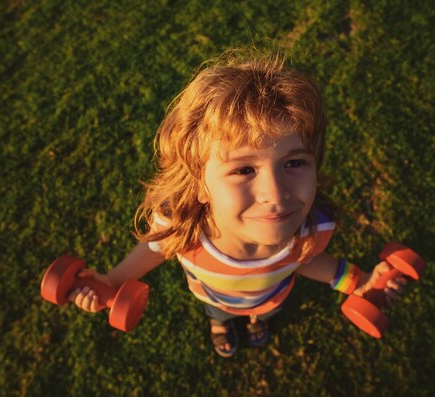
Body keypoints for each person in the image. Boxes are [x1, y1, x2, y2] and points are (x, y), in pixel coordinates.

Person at [68, 50, 408, 358]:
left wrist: (358, 281)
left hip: (272, 295)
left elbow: (302, 261)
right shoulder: (185, 224)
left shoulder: (312, 227)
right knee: (219, 311)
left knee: (267, 309)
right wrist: (112, 282)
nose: (275, 194)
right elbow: (155, 250)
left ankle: (258, 319)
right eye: (244, 169)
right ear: (199, 183)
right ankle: (221, 324)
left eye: (294, 163)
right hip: (214, 296)